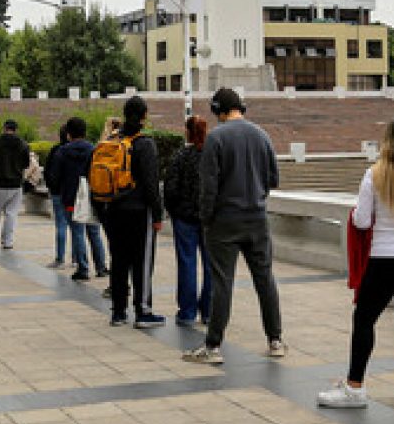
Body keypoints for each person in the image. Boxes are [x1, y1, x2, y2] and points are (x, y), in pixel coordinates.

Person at [317, 115, 394, 409]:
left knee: (365, 319)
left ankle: (355, 386)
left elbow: (361, 221)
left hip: (385, 257)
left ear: (388, 140)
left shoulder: (375, 174)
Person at [183, 88, 285, 365]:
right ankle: (275, 340)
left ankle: (213, 346)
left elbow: (208, 187)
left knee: (221, 283)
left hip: (224, 221)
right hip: (257, 219)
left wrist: (206, 218)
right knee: (265, 280)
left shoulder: (216, 138)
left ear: (219, 111)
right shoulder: (262, 136)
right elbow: (273, 179)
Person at [98, 97, 164, 328]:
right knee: (142, 261)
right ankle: (143, 310)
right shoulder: (144, 143)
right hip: (138, 210)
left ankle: (118, 312)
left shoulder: (113, 139)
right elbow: (151, 183)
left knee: (119, 260)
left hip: (114, 208)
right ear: (144, 115)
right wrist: (158, 215)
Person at [164, 116, 212, 327]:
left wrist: (174, 210)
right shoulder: (212, 156)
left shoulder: (180, 156)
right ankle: (209, 310)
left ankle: (187, 311)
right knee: (212, 266)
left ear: (188, 132)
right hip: (209, 218)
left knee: (186, 263)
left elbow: (170, 188)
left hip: (184, 218)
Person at [53, 117, 108, 282]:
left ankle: (83, 268)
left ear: (68, 134)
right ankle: (101, 267)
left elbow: (55, 176)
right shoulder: (94, 150)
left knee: (77, 233)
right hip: (92, 197)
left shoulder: (62, 152)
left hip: (71, 198)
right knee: (94, 232)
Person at [0, 120, 31, 250]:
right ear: (16, 129)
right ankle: (7, 241)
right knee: (11, 214)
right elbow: (26, 164)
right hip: (15, 184)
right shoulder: (23, 144)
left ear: (4, 128)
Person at [43, 126, 71, 269]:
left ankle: (60, 258)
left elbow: (48, 171)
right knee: (77, 228)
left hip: (58, 193)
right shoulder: (84, 149)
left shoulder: (56, 150)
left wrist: (51, 187)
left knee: (61, 225)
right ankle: (77, 259)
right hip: (75, 194)